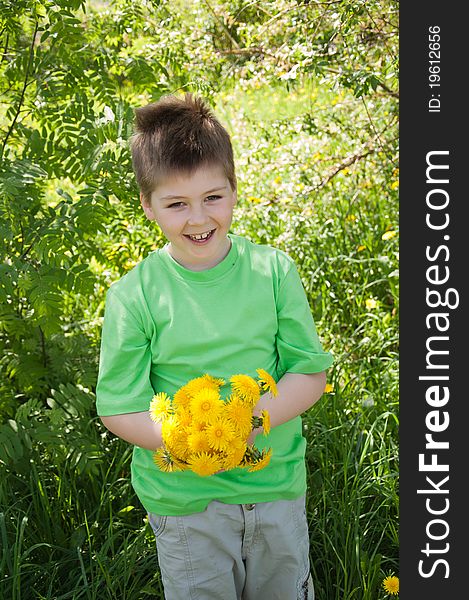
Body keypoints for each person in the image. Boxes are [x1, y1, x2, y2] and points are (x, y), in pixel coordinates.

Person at [96, 92, 333, 600]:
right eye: (176, 204)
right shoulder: (134, 295)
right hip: (186, 503)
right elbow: (119, 408)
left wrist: (248, 421)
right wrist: (190, 440)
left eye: (213, 197)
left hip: (274, 488)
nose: (198, 219)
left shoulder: (272, 273)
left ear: (233, 190)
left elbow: (309, 373)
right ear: (147, 205)